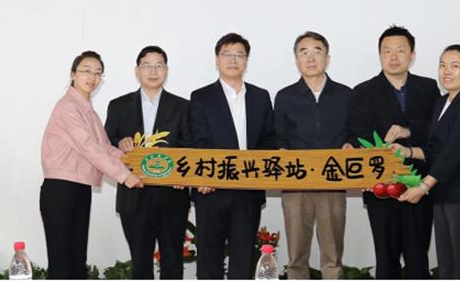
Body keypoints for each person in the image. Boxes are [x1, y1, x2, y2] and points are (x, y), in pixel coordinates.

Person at [393, 45, 460, 279]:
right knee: (447, 265)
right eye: (442, 65)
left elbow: (453, 153)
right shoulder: (442, 103)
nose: (447, 71)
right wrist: (407, 152)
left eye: (455, 66)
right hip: (443, 193)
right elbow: (434, 149)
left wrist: (423, 187)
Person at [345, 26, 439, 279]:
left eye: (400, 50)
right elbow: (359, 134)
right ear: (380, 55)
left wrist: (409, 131)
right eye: (387, 51)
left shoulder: (429, 88)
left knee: (418, 259)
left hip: (420, 185)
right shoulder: (363, 91)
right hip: (380, 188)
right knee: (386, 260)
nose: (393, 57)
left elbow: (437, 131)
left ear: (412, 55)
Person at [39, 50, 143, 279]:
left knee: (77, 259)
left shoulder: (88, 110)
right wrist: (125, 175)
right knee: (61, 262)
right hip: (60, 189)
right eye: (86, 71)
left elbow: (104, 147)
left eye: (98, 73)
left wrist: (136, 162)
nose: (92, 77)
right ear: (73, 74)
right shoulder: (67, 107)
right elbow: (89, 147)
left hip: (79, 187)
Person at [189, 33, 277, 279]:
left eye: (239, 55)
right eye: (227, 54)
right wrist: (208, 175)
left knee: (243, 257)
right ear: (217, 60)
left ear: (246, 61)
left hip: (248, 190)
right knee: (209, 258)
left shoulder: (260, 96)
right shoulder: (200, 97)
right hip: (211, 189)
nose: (233, 60)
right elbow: (200, 141)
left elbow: (269, 138)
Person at [105, 46, 191, 279]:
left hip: (172, 195)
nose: (153, 71)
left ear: (166, 70)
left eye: (158, 65)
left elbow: (189, 146)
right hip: (134, 196)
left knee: (172, 262)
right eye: (147, 66)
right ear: (137, 71)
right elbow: (106, 144)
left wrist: (183, 176)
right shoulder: (118, 105)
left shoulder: (183, 106)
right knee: (141, 264)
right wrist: (119, 142)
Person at [274, 32, 352, 279]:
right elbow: (278, 136)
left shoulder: (345, 94)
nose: (310, 58)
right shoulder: (285, 96)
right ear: (296, 59)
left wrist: (351, 145)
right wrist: (281, 150)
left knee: (332, 255)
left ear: (327, 58)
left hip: (333, 181)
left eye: (317, 52)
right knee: (297, 257)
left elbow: (354, 132)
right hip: (296, 184)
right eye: (303, 52)